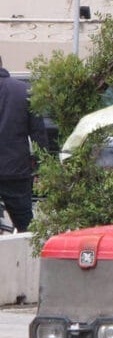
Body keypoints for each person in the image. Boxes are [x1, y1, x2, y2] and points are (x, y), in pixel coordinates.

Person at [0, 57, 45, 232]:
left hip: (15, 169)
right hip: (16, 170)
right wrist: (41, 167)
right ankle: (29, 256)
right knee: (26, 225)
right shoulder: (25, 91)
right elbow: (38, 134)